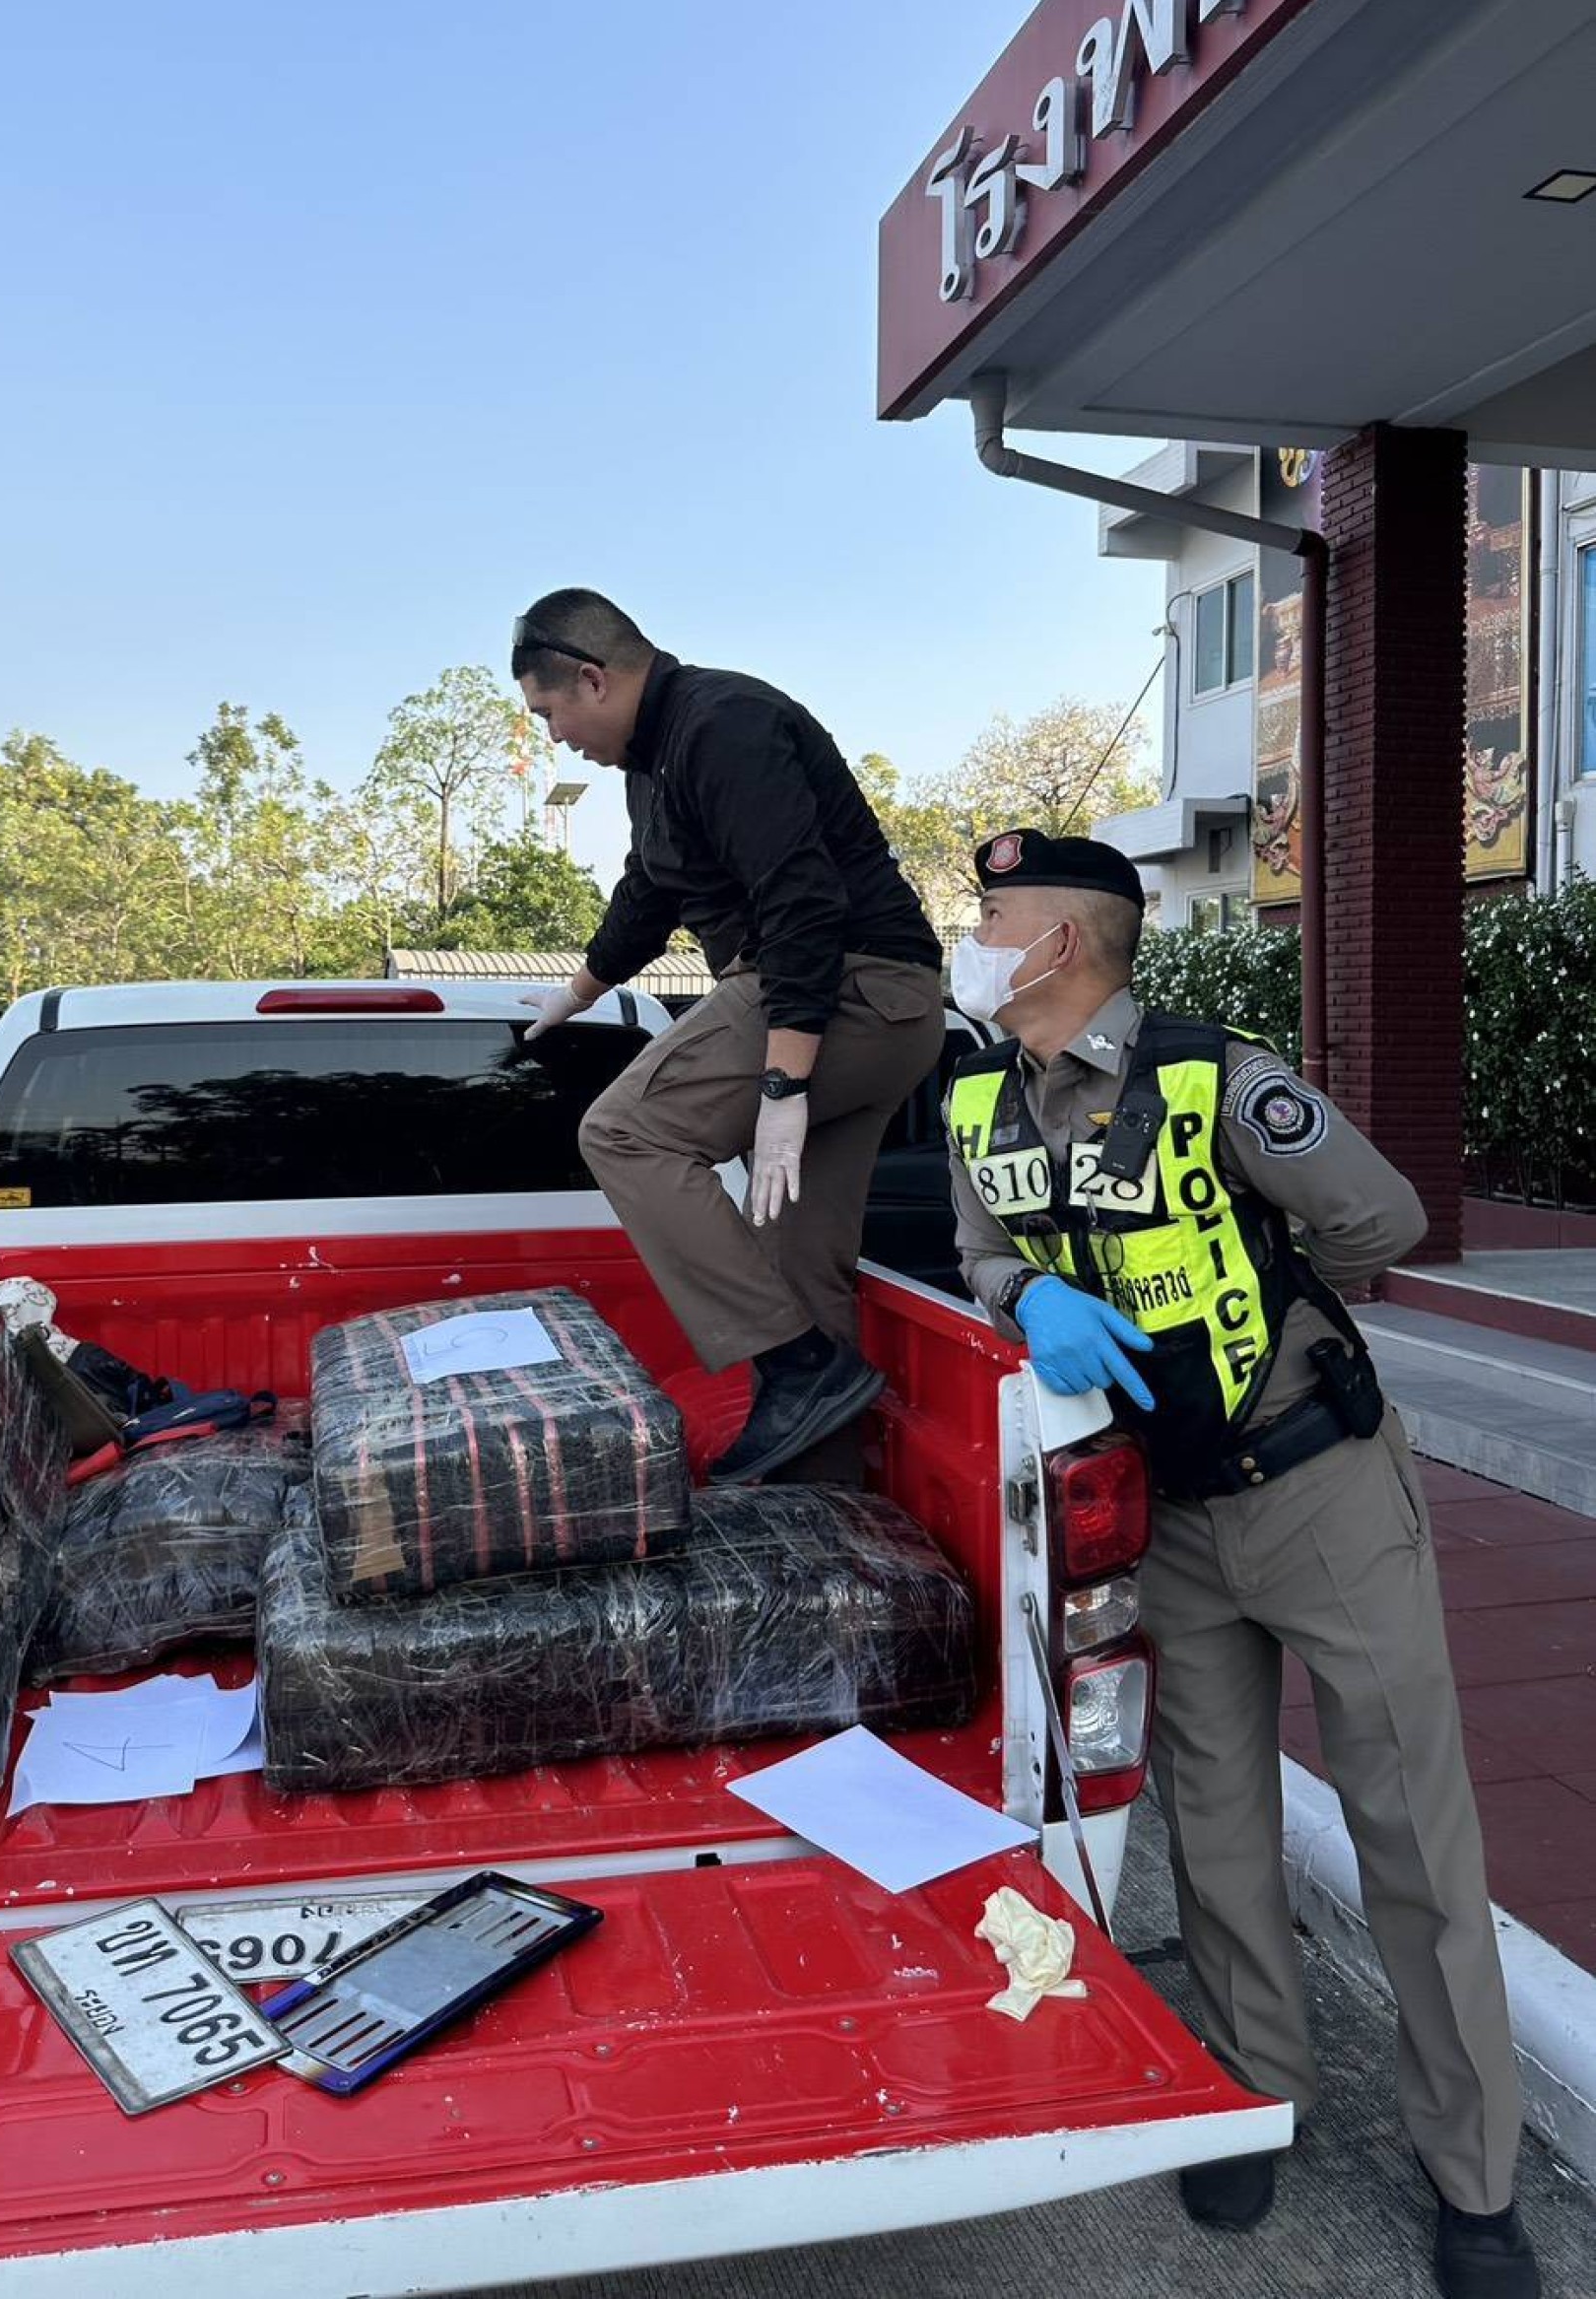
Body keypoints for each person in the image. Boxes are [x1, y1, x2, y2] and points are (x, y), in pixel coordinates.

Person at [946, 827, 1537, 2299]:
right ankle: (1259, 2089)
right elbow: (979, 1247)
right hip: (1174, 1514)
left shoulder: (1215, 1078)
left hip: (1321, 1490)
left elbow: (1384, 1216)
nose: (976, 937)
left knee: (1412, 1835)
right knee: (1213, 1825)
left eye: (996, 916)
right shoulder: (977, 1098)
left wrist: (1261, 1290)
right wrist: (1028, 1296)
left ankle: (1474, 2177)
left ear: (1062, 943)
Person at [511, 588, 945, 1484]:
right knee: (795, 1263)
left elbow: (801, 903)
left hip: (846, 989)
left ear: (593, 679)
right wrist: (577, 992)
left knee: (624, 1132)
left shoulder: (723, 723)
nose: (553, 736)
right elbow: (649, 891)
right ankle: (823, 1498)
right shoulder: (654, 761)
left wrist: (782, 1087)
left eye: (549, 713)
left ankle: (799, 1365)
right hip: (868, 1006)